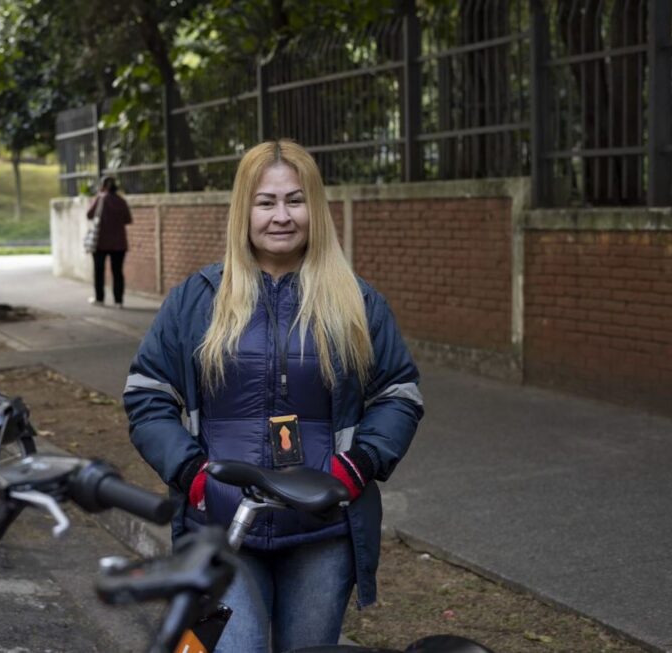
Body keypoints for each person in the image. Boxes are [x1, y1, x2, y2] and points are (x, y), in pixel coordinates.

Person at [123, 140, 423, 652]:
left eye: (295, 200)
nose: (281, 216)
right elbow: (147, 394)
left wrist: (358, 466)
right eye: (266, 202)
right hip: (223, 528)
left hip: (322, 535)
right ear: (244, 210)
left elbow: (399, 394)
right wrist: (193, 477)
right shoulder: (197, 301)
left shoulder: (357, 301)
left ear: (316, 209)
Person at [86, 175, 132, 307]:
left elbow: (89, 215)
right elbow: (128, 219)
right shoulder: (121, 201)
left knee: (99, 271)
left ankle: (99, 299)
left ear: (103, 186)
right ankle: (119, 301)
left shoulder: (100, 199)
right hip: (119, 244)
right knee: (117, 272)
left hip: (101, 243)